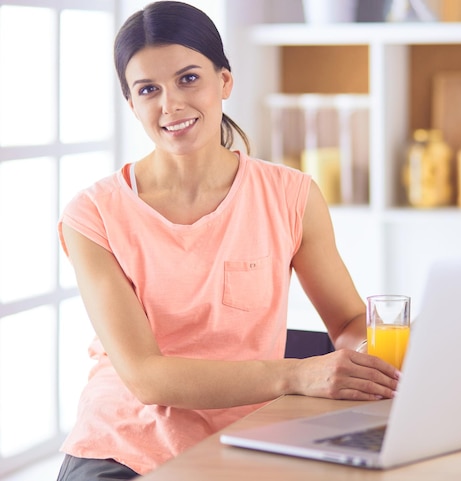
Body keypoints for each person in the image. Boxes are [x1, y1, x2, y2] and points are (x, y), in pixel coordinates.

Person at [56, 2, 400, 480]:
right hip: (125, 448)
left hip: (250, 436)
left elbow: (345, 320)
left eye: (189, 79)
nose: (170, 104)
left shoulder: (291, 196)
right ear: (131, 104)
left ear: (225, 82)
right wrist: (300, 374)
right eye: (148, 89)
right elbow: (145, 377)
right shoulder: (92, 214)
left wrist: (376, 352)